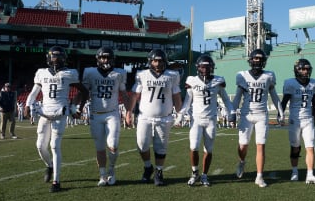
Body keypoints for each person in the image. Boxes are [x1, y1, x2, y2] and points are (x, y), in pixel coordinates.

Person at [24, 46, 88, 193]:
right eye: (54, 56)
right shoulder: (41, 72)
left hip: (60, 112)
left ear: (64, 58)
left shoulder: (70, 73)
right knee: (40, 146)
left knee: (54, 146)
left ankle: (56, 181)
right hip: (45, 112)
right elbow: (34, 92)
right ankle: (50, 165)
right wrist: (28, 104)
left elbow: (84, 91)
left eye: (59, 57)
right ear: (48, 57)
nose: (56, 59)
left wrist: (78, 108)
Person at [125, 49, 182, 186]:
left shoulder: (172, 75)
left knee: (161, 147)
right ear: (150, 61)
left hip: (164, 117)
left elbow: (176, 96)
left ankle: (159, 171)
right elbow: (134, 95)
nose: (157, 63)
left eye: (160, 60)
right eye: (155, 60)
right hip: (145, 116)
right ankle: (148, 166)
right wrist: (129, 112)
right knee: (142, 144)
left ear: (165, 61)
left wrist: (180, 114)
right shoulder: (142, 75)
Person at [178, 54, 234, 187]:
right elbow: (187, 101)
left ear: (212, 67)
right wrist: (180, 115)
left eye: (208, 67)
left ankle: (204, 175)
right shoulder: (192, 80)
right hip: (196, 119)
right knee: (193, 147)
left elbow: (225, 99)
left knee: (208, 150)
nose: (206, 69)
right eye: (203, 67)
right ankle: (194, 172)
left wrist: (231, 111)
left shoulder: (218, 81)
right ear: (198, 67)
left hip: (211, 119)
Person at [232, 49, 284, 188]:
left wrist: (281, 111)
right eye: (255, 59)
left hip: (262, 115)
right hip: (246, 115)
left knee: (260, 145)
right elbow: (237, 96)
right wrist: (232, 110)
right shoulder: (242, 75)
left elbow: (274, 96)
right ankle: (242, 162)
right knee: (243, 145)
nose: (257, 62)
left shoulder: (268, 76)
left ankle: (259, 176)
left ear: (264, 61)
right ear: (250, 60)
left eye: (260, 59)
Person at [82, 46, 131, 187]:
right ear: (98, 59)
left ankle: (111, 170)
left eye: (108, 57)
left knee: (113, 146)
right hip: (96, 115)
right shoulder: (90, 72)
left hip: (112, 114)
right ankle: (103, 175)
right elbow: (84, 92)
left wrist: (128, 112)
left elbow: (124, 95)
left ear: (112, 59)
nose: (105, 60)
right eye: (103, 57)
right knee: (100, 148)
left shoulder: (119, 73)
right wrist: (77, 106)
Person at [280, 59, 315, 184]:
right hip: (295, 120)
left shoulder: (313, 83)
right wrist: (280, 114)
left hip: (308, 119)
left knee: (310, 147)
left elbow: (314, 102)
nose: (305, 71)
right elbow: (285, 100)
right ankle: (295, 171)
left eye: (307, 69)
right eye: (303, 69)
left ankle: (310, 174)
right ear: (297, 69)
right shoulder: (290, 83)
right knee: (295, 148)